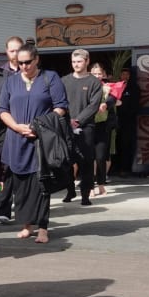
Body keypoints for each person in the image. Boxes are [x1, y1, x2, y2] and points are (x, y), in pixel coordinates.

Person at [0, 43, 69, 244]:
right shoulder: (11, 82)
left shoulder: (50, 77)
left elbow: (61, 107)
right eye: (19, 63)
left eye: (28, 62)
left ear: (36, 59)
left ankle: (43, 228)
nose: (24, 67)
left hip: (41, 140)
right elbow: (3, 109)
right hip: (16, 139)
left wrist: (38, 126)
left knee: (41, 184)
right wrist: (16, 127)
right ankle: (26, 225)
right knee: (20, 186)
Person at [60, 49, 103, 205]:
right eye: (73, 62)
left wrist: (78, 120)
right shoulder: (64, 81)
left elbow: (94, 105)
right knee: (67, 161)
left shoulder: (94, 82)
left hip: (86, 127)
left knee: (86, 162)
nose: (76, 65)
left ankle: (85, 195)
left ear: (86, 61)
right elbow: (58, 101)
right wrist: (66, 120)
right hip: (65, 126)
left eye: (79, 61)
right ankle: (70, 191)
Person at [0, 36, 24, 223]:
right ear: (6, 52)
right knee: (2, 171)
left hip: (23, 127)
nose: (15, 54)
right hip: (2, 127)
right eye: (11, 50)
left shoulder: (30, 71)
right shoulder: (1, 74)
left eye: (18, 50)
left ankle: (22, 208)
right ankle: (1, 208)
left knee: (18, 170)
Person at [89, 62, 117, 197]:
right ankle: (90, 186)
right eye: (94, 73)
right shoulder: (85, 86)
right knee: (88, 158)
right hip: (87, 124)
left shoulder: (108, 87)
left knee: (100, 157)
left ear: (104, 74)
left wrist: (106, 104)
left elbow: (114, 99)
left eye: (99, 73)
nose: (97, 76)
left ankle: (101, 184)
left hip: (103, 125)